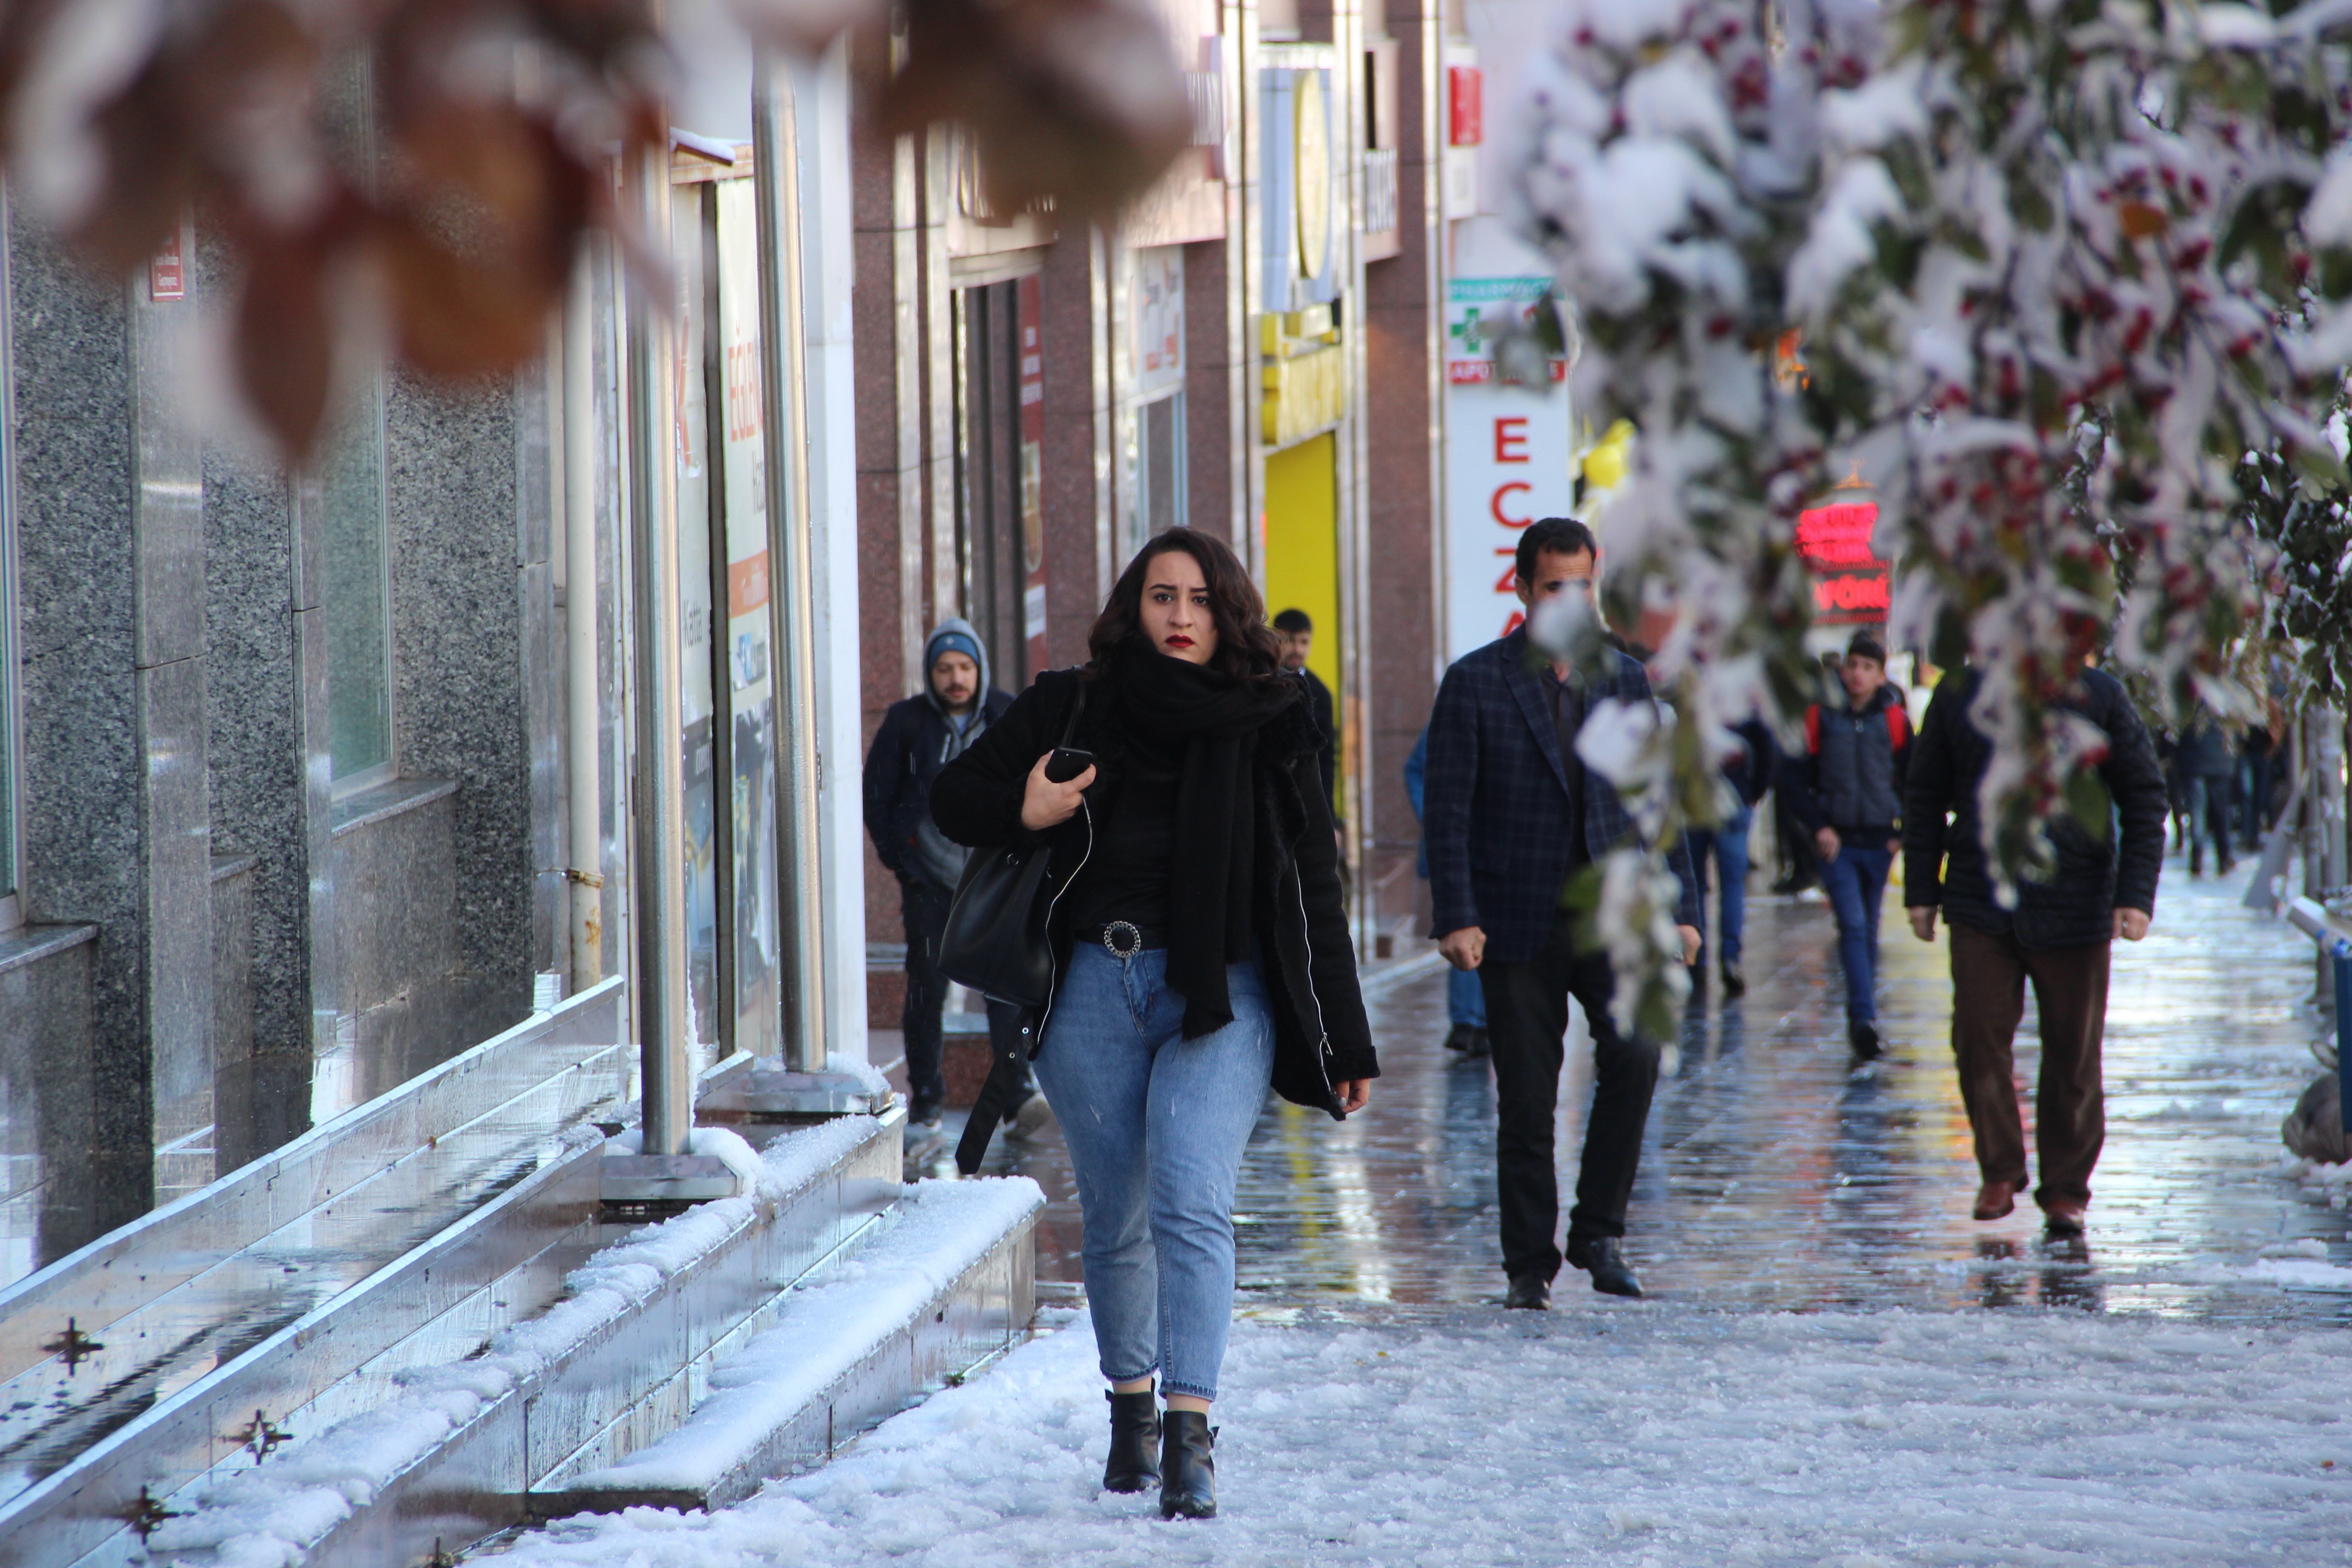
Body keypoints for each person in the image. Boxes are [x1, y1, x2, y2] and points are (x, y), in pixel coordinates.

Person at [931, 528, 1375, 1520]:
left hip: (1223, 992)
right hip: (1093, 987)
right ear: (1136, 606)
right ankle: (1130, 1412)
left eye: (1202, 600)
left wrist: (1347, 1036)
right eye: (1163, 596)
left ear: (1231, 615)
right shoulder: (1076, 701)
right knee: (1118, 1210)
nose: (1181, 616)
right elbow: (952, 797)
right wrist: (1029, 808)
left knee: (1189, 1198)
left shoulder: (1276, 714)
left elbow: (1313, 879)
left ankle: (1189, 1434)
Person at [1421, 516, 1702, 1308]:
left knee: (1637, 1053)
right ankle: (1526, 1266)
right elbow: (1447, 812)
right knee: (1526, 1098)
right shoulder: (1474, 681)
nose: (1570, 601)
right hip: (1513, 919)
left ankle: (1597, 1233)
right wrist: (1456, 916)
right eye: (1555, 586)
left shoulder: (1622, 677)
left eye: (1582, 586)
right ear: (1522, 589)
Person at [1902, 661, 2166, 1235]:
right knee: (1977, 1036)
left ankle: (2067, 1188)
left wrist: (2136, 894)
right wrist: (1921, 889)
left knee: (2073, 1050)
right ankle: (1999, 1170)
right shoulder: (1958, 694)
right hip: (1980, 894)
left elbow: (2144, 795)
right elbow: (1924, 796)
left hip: (2077, 897)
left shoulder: (2098, 695)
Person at [862, 618, 1042, 1131]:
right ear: (930, 673)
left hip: (997, 879)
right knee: (926, 993)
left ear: (980, 670)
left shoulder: (1009, 714)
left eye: (965, 667)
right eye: (944, 668)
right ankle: (928, 1101)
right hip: (932, 882)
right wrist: (906, 863)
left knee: (1007, 989)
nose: (956, 678)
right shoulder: (906, 722)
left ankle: (1015, 1095)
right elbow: (879, 797)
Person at [1780, 632, 1911, 1060]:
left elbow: (1914, 780)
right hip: (1837, 844)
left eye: (1868, 667)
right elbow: (1793, 777)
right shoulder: (1821, 716)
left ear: (1881, 675)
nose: (1857, 674)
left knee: (1867, 929)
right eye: (1853, 665)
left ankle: (1865, 1013)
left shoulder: (1894, 721)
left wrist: (1900, 835)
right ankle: (1862, 1018)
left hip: (1878, 842)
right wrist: (1819, 825)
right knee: (1853, 925)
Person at [1404, 722, 1488, 1055]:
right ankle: (1469, 1020)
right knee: (1466, 927)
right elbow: (1414, 770)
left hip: (1498, 848)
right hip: (1464, 847)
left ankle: (1477, 1020)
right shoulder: (1455, 713)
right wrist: (1435, 817)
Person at [1685, 715, 1776, 1000]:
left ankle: (1697, 960)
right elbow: (1768, 746)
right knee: (1731, 884)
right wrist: (1753, 792)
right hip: (1731, 797)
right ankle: (1729, 957)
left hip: (1698, 800)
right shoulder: (1741, 693)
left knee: (1696, 882)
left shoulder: (1687, 683)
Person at [1272, 608, 1339, 816]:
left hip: (1304, 799)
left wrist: (1329, 816)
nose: (1297, 650)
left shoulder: (1320, 693)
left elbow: (1326, 760)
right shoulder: (1260, 682)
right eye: (1290, 640)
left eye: (1304, 642)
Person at [2174, 712, 2235, 876]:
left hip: (2194, 766)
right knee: (2221, 814)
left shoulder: (2187, 698)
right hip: (2220, 765)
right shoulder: (2224, 698)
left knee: (2197, 813)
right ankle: (2223, 857)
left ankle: (2197, 859)